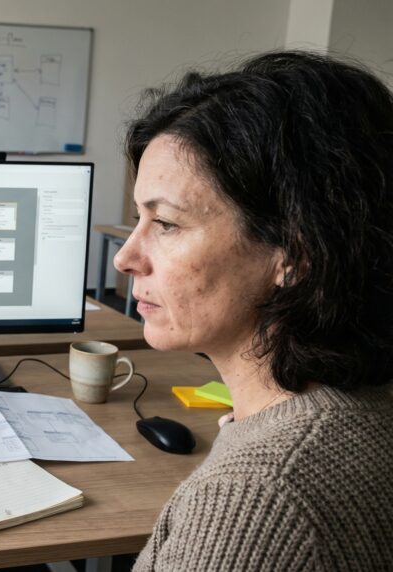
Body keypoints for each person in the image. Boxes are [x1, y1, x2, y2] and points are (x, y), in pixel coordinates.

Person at [114, 51, 393, 570]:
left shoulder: (258, 502)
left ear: (294, 252)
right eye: (137, 218)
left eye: (167, 224)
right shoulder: (364, 402)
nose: (125, 257)